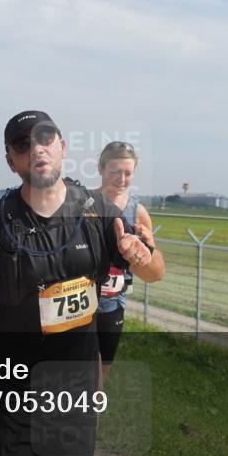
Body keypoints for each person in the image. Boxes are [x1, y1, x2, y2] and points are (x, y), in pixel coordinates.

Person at [0, 111, 165, 456]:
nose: (36, 148)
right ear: (11, 160)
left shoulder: (98, 212)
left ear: (62, 147)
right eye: (23, 144)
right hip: (10, 383)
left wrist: (140, 256)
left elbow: (154, 271)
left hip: (71, 381)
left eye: (45, 138)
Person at [94, 141, 155, 382]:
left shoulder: (137, 212)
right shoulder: (84, 204)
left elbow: (150, 260)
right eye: (115, 172)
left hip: (114, 300)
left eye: (127, 173)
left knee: (102, 369)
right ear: (101, 169)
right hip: (81, 296)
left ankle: (92, 417)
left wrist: (147, 247)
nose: (121, 179)